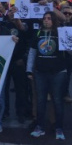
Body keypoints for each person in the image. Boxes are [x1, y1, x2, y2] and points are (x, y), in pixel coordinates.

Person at [26, 11, 67, 140]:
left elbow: (69, 50)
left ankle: (59, 127)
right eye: (44, 18)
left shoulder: (60, 33)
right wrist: (29, 70)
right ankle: (40, 126)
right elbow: (32, 53)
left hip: (58, 72)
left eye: (49, 18)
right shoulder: (38, 34)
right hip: (40, 72)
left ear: (54, 20)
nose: (46, 20)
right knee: (40, 101)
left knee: (57, 101)